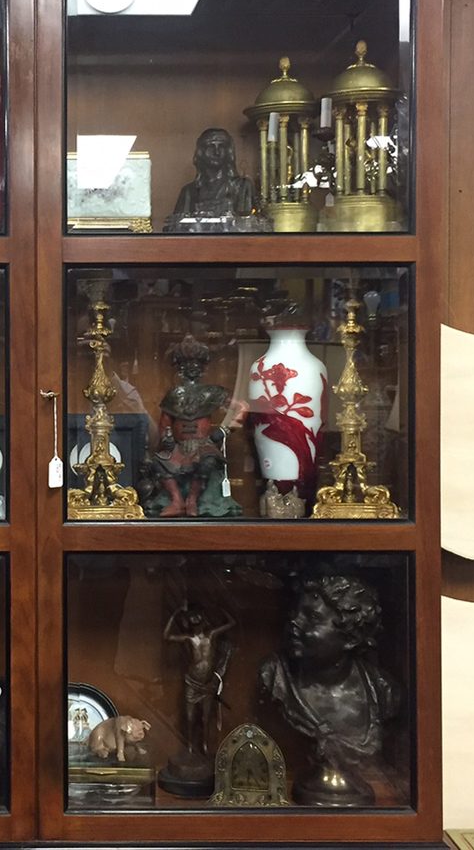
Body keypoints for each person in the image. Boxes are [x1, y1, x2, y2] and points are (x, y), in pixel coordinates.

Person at [259, 574, 400, 806]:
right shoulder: (274, 676)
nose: (294, 622)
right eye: (295, 612)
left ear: (351, 637)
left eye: (313, 617)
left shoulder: (383, 691)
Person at [150, 334, 245, 518]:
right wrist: (166, 438)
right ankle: (176, 500)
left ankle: (192, 499)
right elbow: (165, 423)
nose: (191, 368)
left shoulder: (212, 392)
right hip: (178, 447)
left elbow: (242, 408)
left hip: (203, 445)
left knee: (207, 462)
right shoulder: (174, 394)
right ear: (180, 368)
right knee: (158, 462)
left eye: (196, 364)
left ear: (202, 367)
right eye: (187, 364)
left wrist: (225, 430)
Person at [164, 604, 236, 757]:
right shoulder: (189, 638)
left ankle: (204, 745)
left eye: (198, 618)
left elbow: (231, 623)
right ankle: (190, 745)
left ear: (203, 621)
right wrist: (174, 614)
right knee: (189, 718)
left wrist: (220, 608)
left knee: (205, 717)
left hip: (207, 683)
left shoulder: (211, 635)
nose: (196, 622)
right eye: (192, 620)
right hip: (192, 682)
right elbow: (167, 636)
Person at [167, 127, 255, 225]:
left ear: (229, 152)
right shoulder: (189, 192)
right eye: (211, 146)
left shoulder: (242, 187)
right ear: (201, 152)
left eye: (221, 146)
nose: (216, 152)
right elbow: (177, 227)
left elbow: (246, 225)